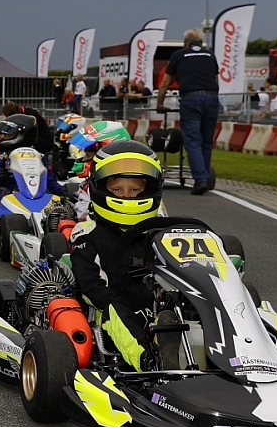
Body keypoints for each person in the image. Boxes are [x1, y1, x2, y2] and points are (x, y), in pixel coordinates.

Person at [68, 140, 208, 371]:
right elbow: (91, 286)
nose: (127, 196)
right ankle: (149, 361)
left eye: (135, 190)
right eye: (117, 190)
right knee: (114, 309)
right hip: (114, 309)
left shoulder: (164, 232)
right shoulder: (88, 233)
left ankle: (241, 351)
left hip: (161, 305)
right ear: (99, 187)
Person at [156, 28, 220, 195]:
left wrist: (160, 104)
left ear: (186, 43)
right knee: (206, 141)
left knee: (192, 140)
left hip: (191, 98)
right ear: (201, 42)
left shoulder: (179, 55)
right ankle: (204, 176)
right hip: (212, 98)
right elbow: (216, 80)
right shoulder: (210, 55)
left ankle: (200, 179)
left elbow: (165, 82)